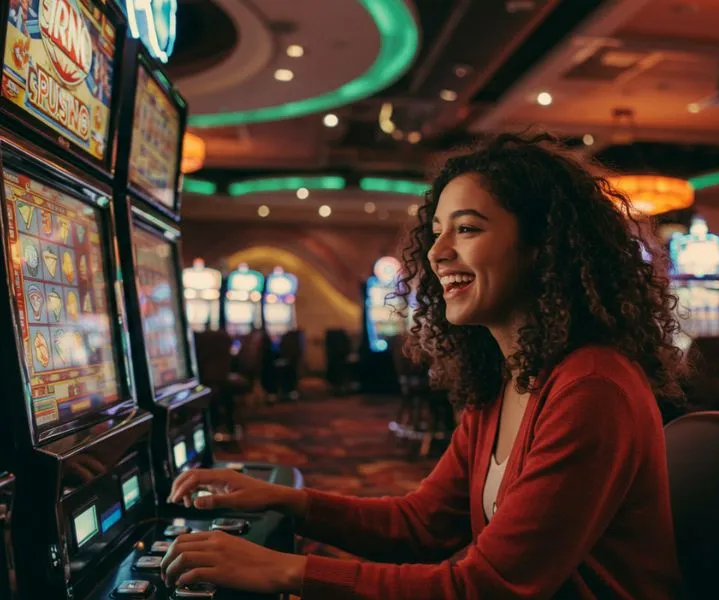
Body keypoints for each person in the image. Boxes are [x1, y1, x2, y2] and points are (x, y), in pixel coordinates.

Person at [161, 133, 685, 599]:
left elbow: (486, 587)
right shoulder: (508, 378)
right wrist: (287, 499)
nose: (437, 253)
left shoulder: (591, 388)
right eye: (436, 231)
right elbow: (423, 524)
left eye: (467, 229)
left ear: (541, 248)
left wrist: (285, 571)